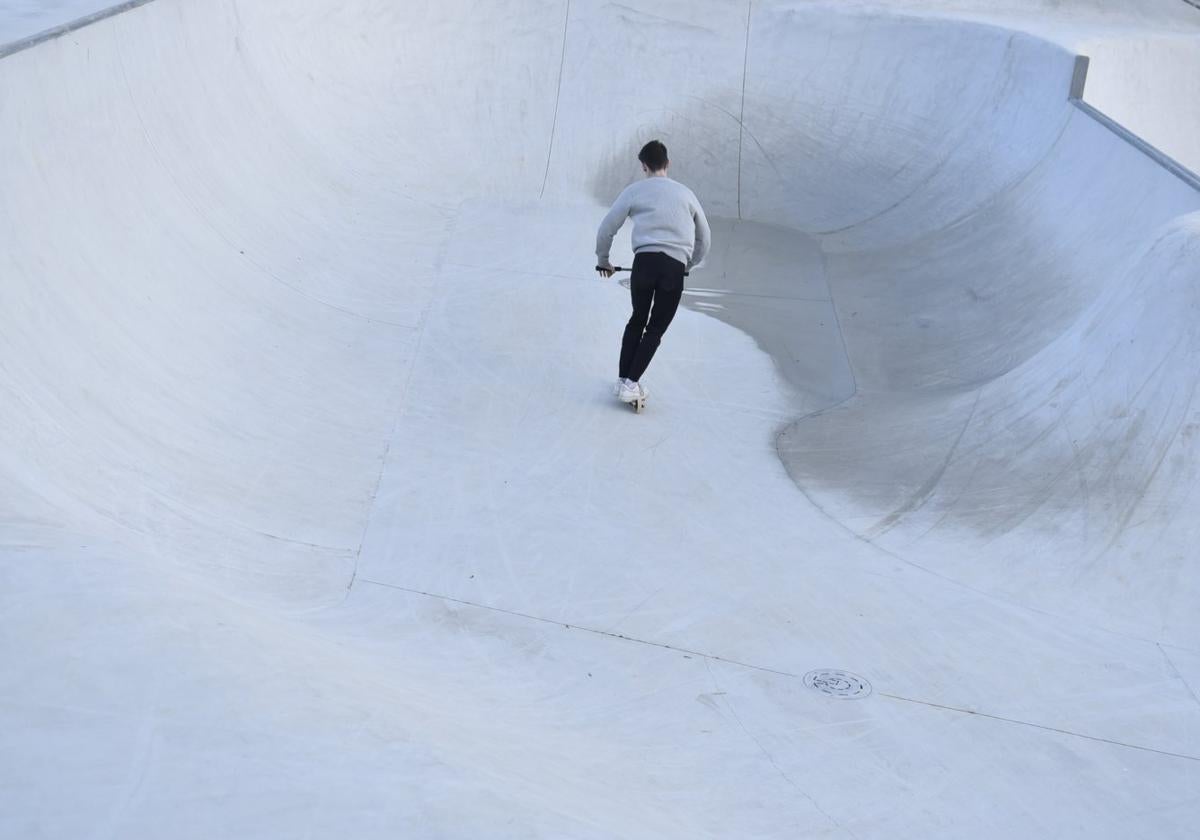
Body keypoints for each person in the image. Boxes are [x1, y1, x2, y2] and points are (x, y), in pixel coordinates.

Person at [596, 140, 711, 406]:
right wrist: (688, 264)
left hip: (643, 264)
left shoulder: (634, 191)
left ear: (644, 166)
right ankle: (631, 383)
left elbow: (607, 227)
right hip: (673, 267)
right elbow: (705, 239)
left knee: (637, 319)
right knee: (656, 328)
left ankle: (623, 378)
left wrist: (604, 260)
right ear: (667, 164)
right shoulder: (686, 194)